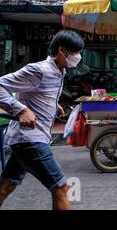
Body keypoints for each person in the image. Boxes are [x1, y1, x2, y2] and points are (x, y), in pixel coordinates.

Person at [0, 30, 84, 210]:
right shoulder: (39, 70)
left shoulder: (59, 71)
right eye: (75, 52)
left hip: (28, 138)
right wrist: (21, 110)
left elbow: (38, 94)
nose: (77, 57)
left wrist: (54, 105)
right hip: (30, 139)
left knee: (7, 185)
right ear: (62, 50)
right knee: (61, 187)